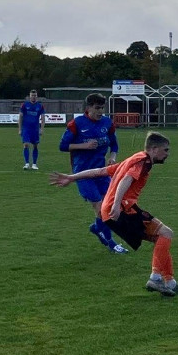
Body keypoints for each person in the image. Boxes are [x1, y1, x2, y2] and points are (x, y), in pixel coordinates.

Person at [49, 132, 178, 296]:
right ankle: (156, 278)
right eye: (165, 150)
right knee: (166, 233)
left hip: (112, 211)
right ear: (154, 149)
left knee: (162, 238)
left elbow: (100, 171)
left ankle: (170, 282)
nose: (167, 154)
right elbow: (126, 180)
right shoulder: (144, 161)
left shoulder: (132, 159)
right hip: (122, 210)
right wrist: (116, 205)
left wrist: (72, 177)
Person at [58, 92, 128, 254]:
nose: (100, 111)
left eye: (102, 107)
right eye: (97, 108)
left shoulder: (107, 123)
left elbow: (114, 145)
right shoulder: (76, 124)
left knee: (110, 206)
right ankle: (111, 243)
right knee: (99, 207)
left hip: (101, 172)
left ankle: (97, 228)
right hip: (82, 174)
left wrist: (112, 157)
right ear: (88, 108)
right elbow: (62, 146)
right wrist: (83, 146)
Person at [18, 89, 46, 169]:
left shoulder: (40, 106)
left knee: (35, 146)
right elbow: (20, 117)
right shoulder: (24, 105)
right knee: (26, 144)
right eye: (32, 95)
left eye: (35, 95)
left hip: (35, 129)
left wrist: (42, 129)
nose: (33, 97)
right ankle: (26, 163)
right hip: (26, 128)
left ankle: (34, 164)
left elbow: (43, 118)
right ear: (29, 96)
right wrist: (20, 129)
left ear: (37, 97)